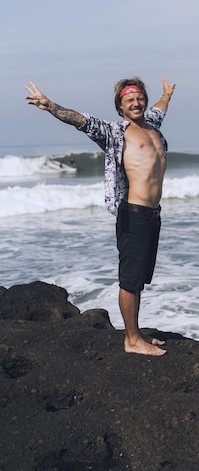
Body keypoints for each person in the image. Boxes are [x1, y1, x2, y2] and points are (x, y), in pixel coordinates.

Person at [25, 76, 176, 356]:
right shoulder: (115, 133)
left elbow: (160, 106)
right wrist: (51, 106)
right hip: (134, 213)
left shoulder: (152, 124)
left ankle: (137, 332)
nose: (136, 102)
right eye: (129, 99)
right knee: (130, 279)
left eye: (139, 98)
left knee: (139, 277)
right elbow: (81, 120)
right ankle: (131, 340)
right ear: (120, 106)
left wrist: (167, 94)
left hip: (153, 214)